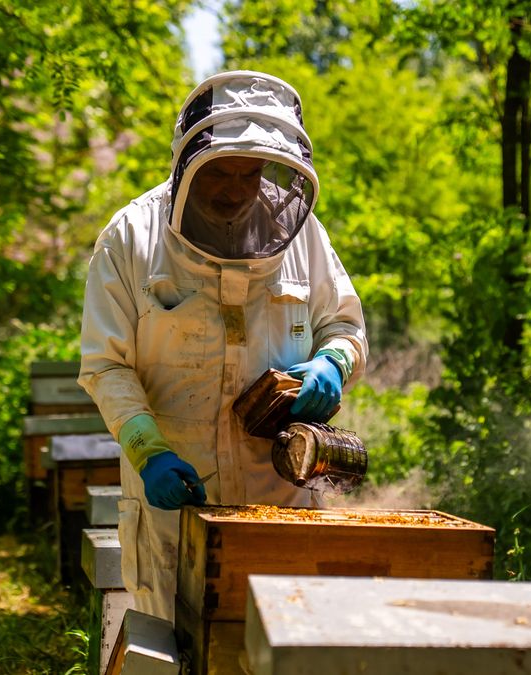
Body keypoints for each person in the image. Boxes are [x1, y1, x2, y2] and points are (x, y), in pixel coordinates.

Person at [77, 70, 368, 622]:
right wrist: (148, 452)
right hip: (174, 494)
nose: (237, 188)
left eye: (252, 172)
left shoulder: (303, 233)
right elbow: (106, 365)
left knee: (278, 647)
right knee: (176, 647)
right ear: (190, 165)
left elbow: (346, 327)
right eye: (223, 172)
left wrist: (332, 362)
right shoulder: (132, 238)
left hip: (281, 494)